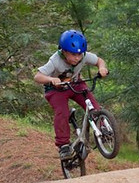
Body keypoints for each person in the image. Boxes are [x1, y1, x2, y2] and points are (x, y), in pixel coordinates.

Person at [34, 30, 109, 159]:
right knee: (62, 112)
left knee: (93, 105)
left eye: (80, 54)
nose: (78, 58)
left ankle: (103, 128)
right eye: (74, 54)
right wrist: (51, 79)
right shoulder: (55, 60)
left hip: (75, 84)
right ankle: (63, 145)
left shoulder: (83, 56)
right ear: (63, 51)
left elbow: (99, 60)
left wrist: (102, 68)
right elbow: (38, 76)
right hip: (56, 90)